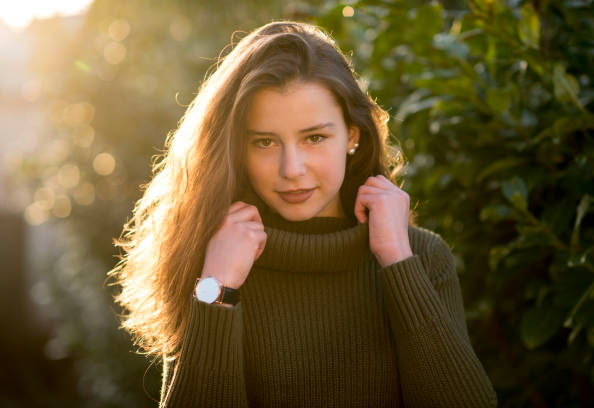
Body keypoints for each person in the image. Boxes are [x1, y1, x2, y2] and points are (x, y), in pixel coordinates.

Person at [109, 21, 497, 407]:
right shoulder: (212, 267)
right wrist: (216, 289)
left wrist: (398, 260)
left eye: (314, 138)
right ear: (237, 150)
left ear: (353, 135)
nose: (291, 169)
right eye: (264, 142)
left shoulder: (423, 257)